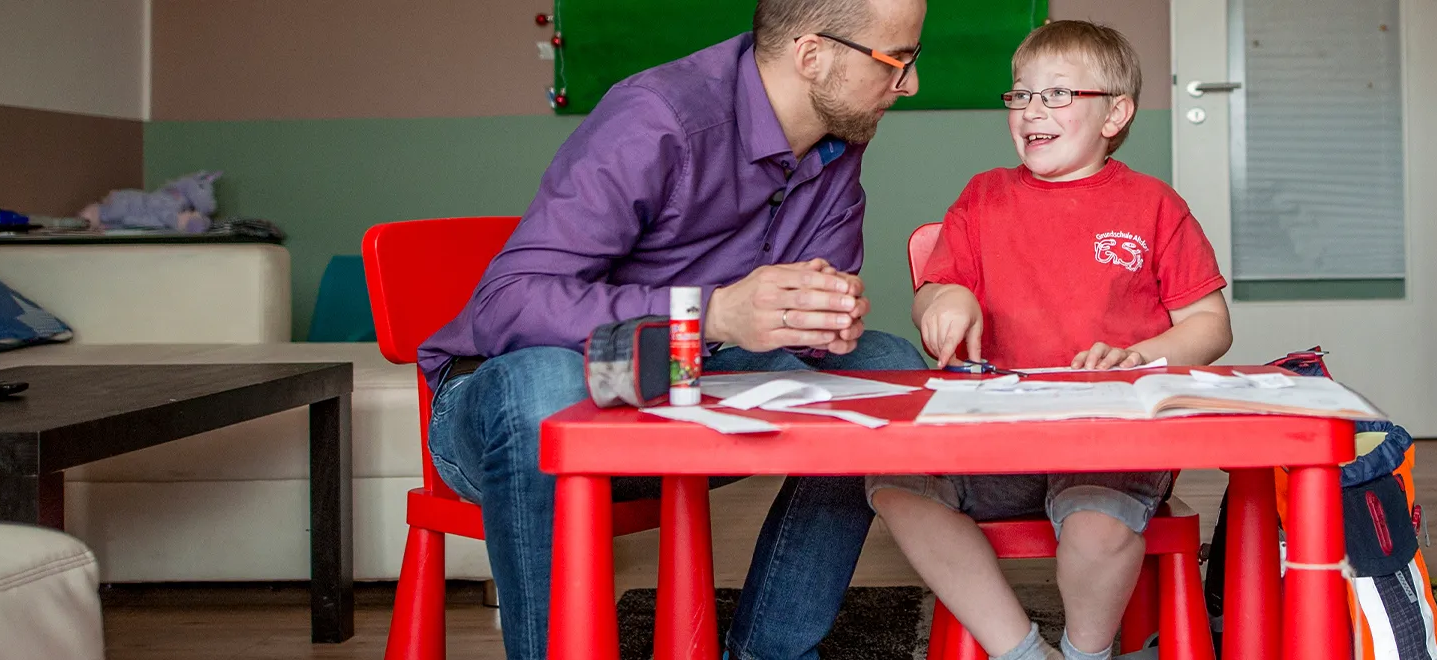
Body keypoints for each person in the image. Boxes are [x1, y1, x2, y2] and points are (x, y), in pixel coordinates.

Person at [413, 0, 929, 657]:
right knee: (541, 382)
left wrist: (818, 318)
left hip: (682, 387)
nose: (909, 84)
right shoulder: (657, 116)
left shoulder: (841, 137)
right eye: (897, 60)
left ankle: (770, 650)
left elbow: (799, 334)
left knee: (884, 365)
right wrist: (711, 310)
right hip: (505, 413)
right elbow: (506, 305)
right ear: (811, 55)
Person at [877, 21, 1233, 660]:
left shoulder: (1154, 206)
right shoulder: (983, 198)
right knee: (893, 480)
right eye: (1020, 95)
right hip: (996, 441)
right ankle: (1020, 651)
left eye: (1058, 95)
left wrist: (1141, 356)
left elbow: (1211, 326)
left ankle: (1086, 653)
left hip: (1108, 437)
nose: (1032, 110)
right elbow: (934, 292)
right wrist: (944, 298)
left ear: (1114, 114)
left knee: (1098, 527)